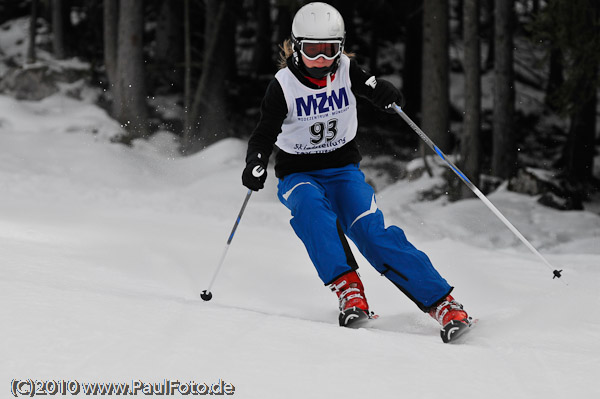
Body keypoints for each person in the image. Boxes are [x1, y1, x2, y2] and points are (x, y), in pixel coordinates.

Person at [242, 2, 471, 341]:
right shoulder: (283, 85)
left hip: (342, 170)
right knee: (311, 212)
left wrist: (385, 92)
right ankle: (349, 291)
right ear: (296, 47)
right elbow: (265, 131)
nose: (322, 60)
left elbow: (372, 87)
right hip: (298, 173)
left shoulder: (346, 69)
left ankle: (443, 303)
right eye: (313, 51)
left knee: (371, 232)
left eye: (330, 51)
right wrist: (256, 160)